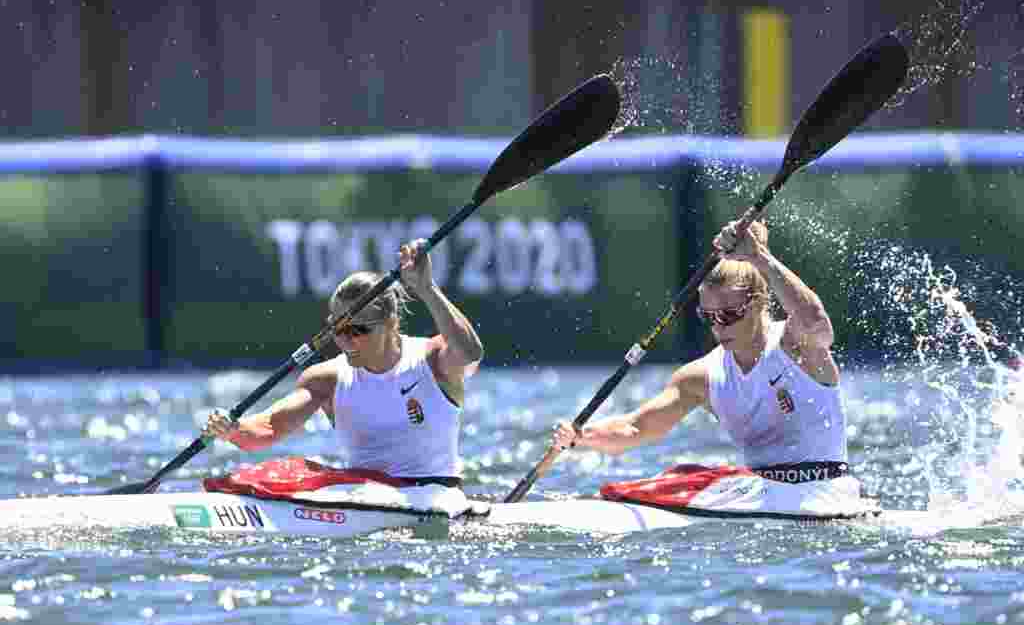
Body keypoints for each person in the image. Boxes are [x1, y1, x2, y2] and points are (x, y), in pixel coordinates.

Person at [552, 219, 862, 513]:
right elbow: (637, 428)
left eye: (728, 315)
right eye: (708, 317)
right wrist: (581, 437)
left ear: (756, 304)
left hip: (827, 491)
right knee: (680, 475)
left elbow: (821, 326)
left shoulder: (794, 344)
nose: (718, 327)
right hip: (759, 494)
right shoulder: (701, 376)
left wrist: (759, 258)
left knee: (693, 480)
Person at [203, 238, 484, 489]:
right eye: (338, 328)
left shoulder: (433, 359)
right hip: (365, 496)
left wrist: (427, 288)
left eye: (358, 330)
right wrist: (232, 429)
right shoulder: (327, 378)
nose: (345, 340)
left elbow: (470, 352)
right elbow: (270, 428)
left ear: (391, 322)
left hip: (435, 493)